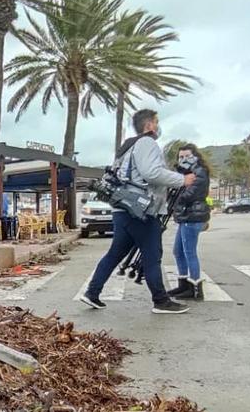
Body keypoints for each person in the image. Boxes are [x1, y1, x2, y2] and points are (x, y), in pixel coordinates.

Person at [81, 109, 196, 314]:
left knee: (115, 253)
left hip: (123, 209)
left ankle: (92, 292)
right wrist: (182, 180)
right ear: (150, 125)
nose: (158, 126)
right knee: (152, 254)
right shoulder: (146, 143)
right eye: (156, 122)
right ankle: (161, 301)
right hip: (140, 211)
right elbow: (151, 173)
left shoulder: (127, 146)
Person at [167, 144, 211, 300]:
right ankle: (184, 285)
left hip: (193, 216)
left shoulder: (199, 172)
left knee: (189, 252)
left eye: (187, 156)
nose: (183, 159)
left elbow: (190, 194)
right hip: (187, 216)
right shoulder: (186, 173)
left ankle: (195, 289)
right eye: (181, 157)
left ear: (195, 156)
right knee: (178, 251)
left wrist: (174, 198)